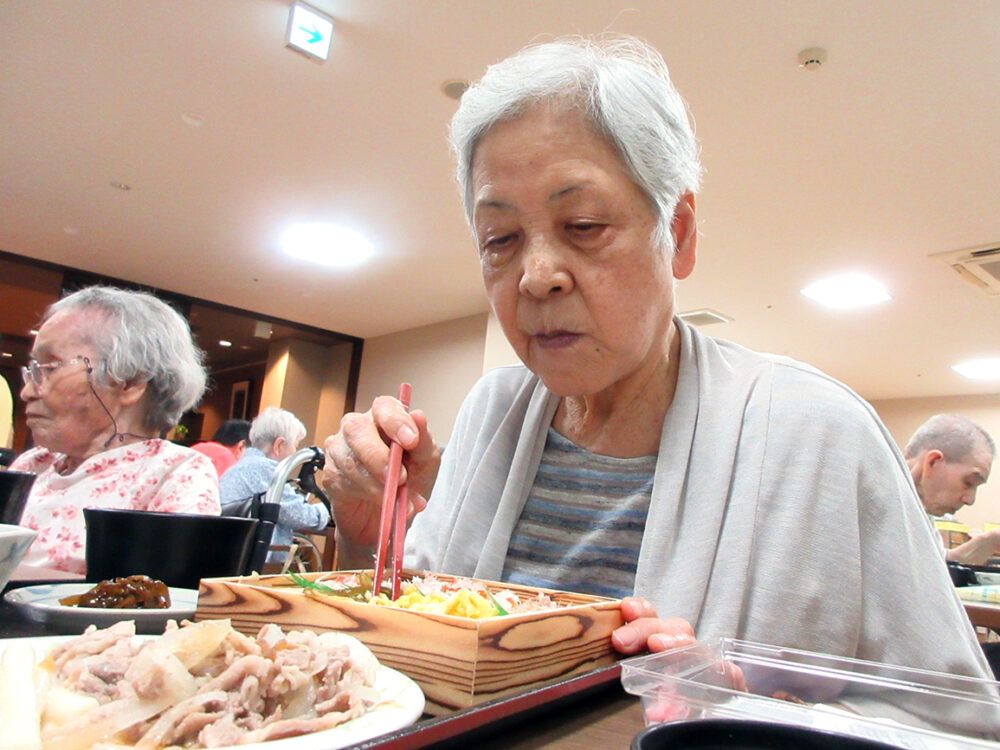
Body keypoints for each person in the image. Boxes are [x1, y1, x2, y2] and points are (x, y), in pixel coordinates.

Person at [322, 35, 1000, 726]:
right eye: (500, 239)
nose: (536, 274)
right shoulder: (490, 412)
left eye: (582, 224)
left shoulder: (818, 431)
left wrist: (748, 719)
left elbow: (962, 720)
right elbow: (405, 670)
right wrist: (367, 538)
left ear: (677, 232)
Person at [10, 286, 220, 574]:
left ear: (129, 382)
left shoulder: (173, 473)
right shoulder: (33, 464)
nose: (26, 392)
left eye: (50, 367)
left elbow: (162, 599)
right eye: (33, 370)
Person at [220, 407, 329, 562]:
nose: (294, 452)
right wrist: (328, 509)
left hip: (229, 555)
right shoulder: (267, 471)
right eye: (295, 446)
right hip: (254, 564)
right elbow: (302, 516)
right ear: (279, 445)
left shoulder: (239, 467)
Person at [904, 413, 998, 565]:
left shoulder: (921, 513)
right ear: (933, 462)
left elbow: (933, 564)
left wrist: (987, 542)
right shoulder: (873, 504)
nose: (970, 500)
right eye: (968, 483)